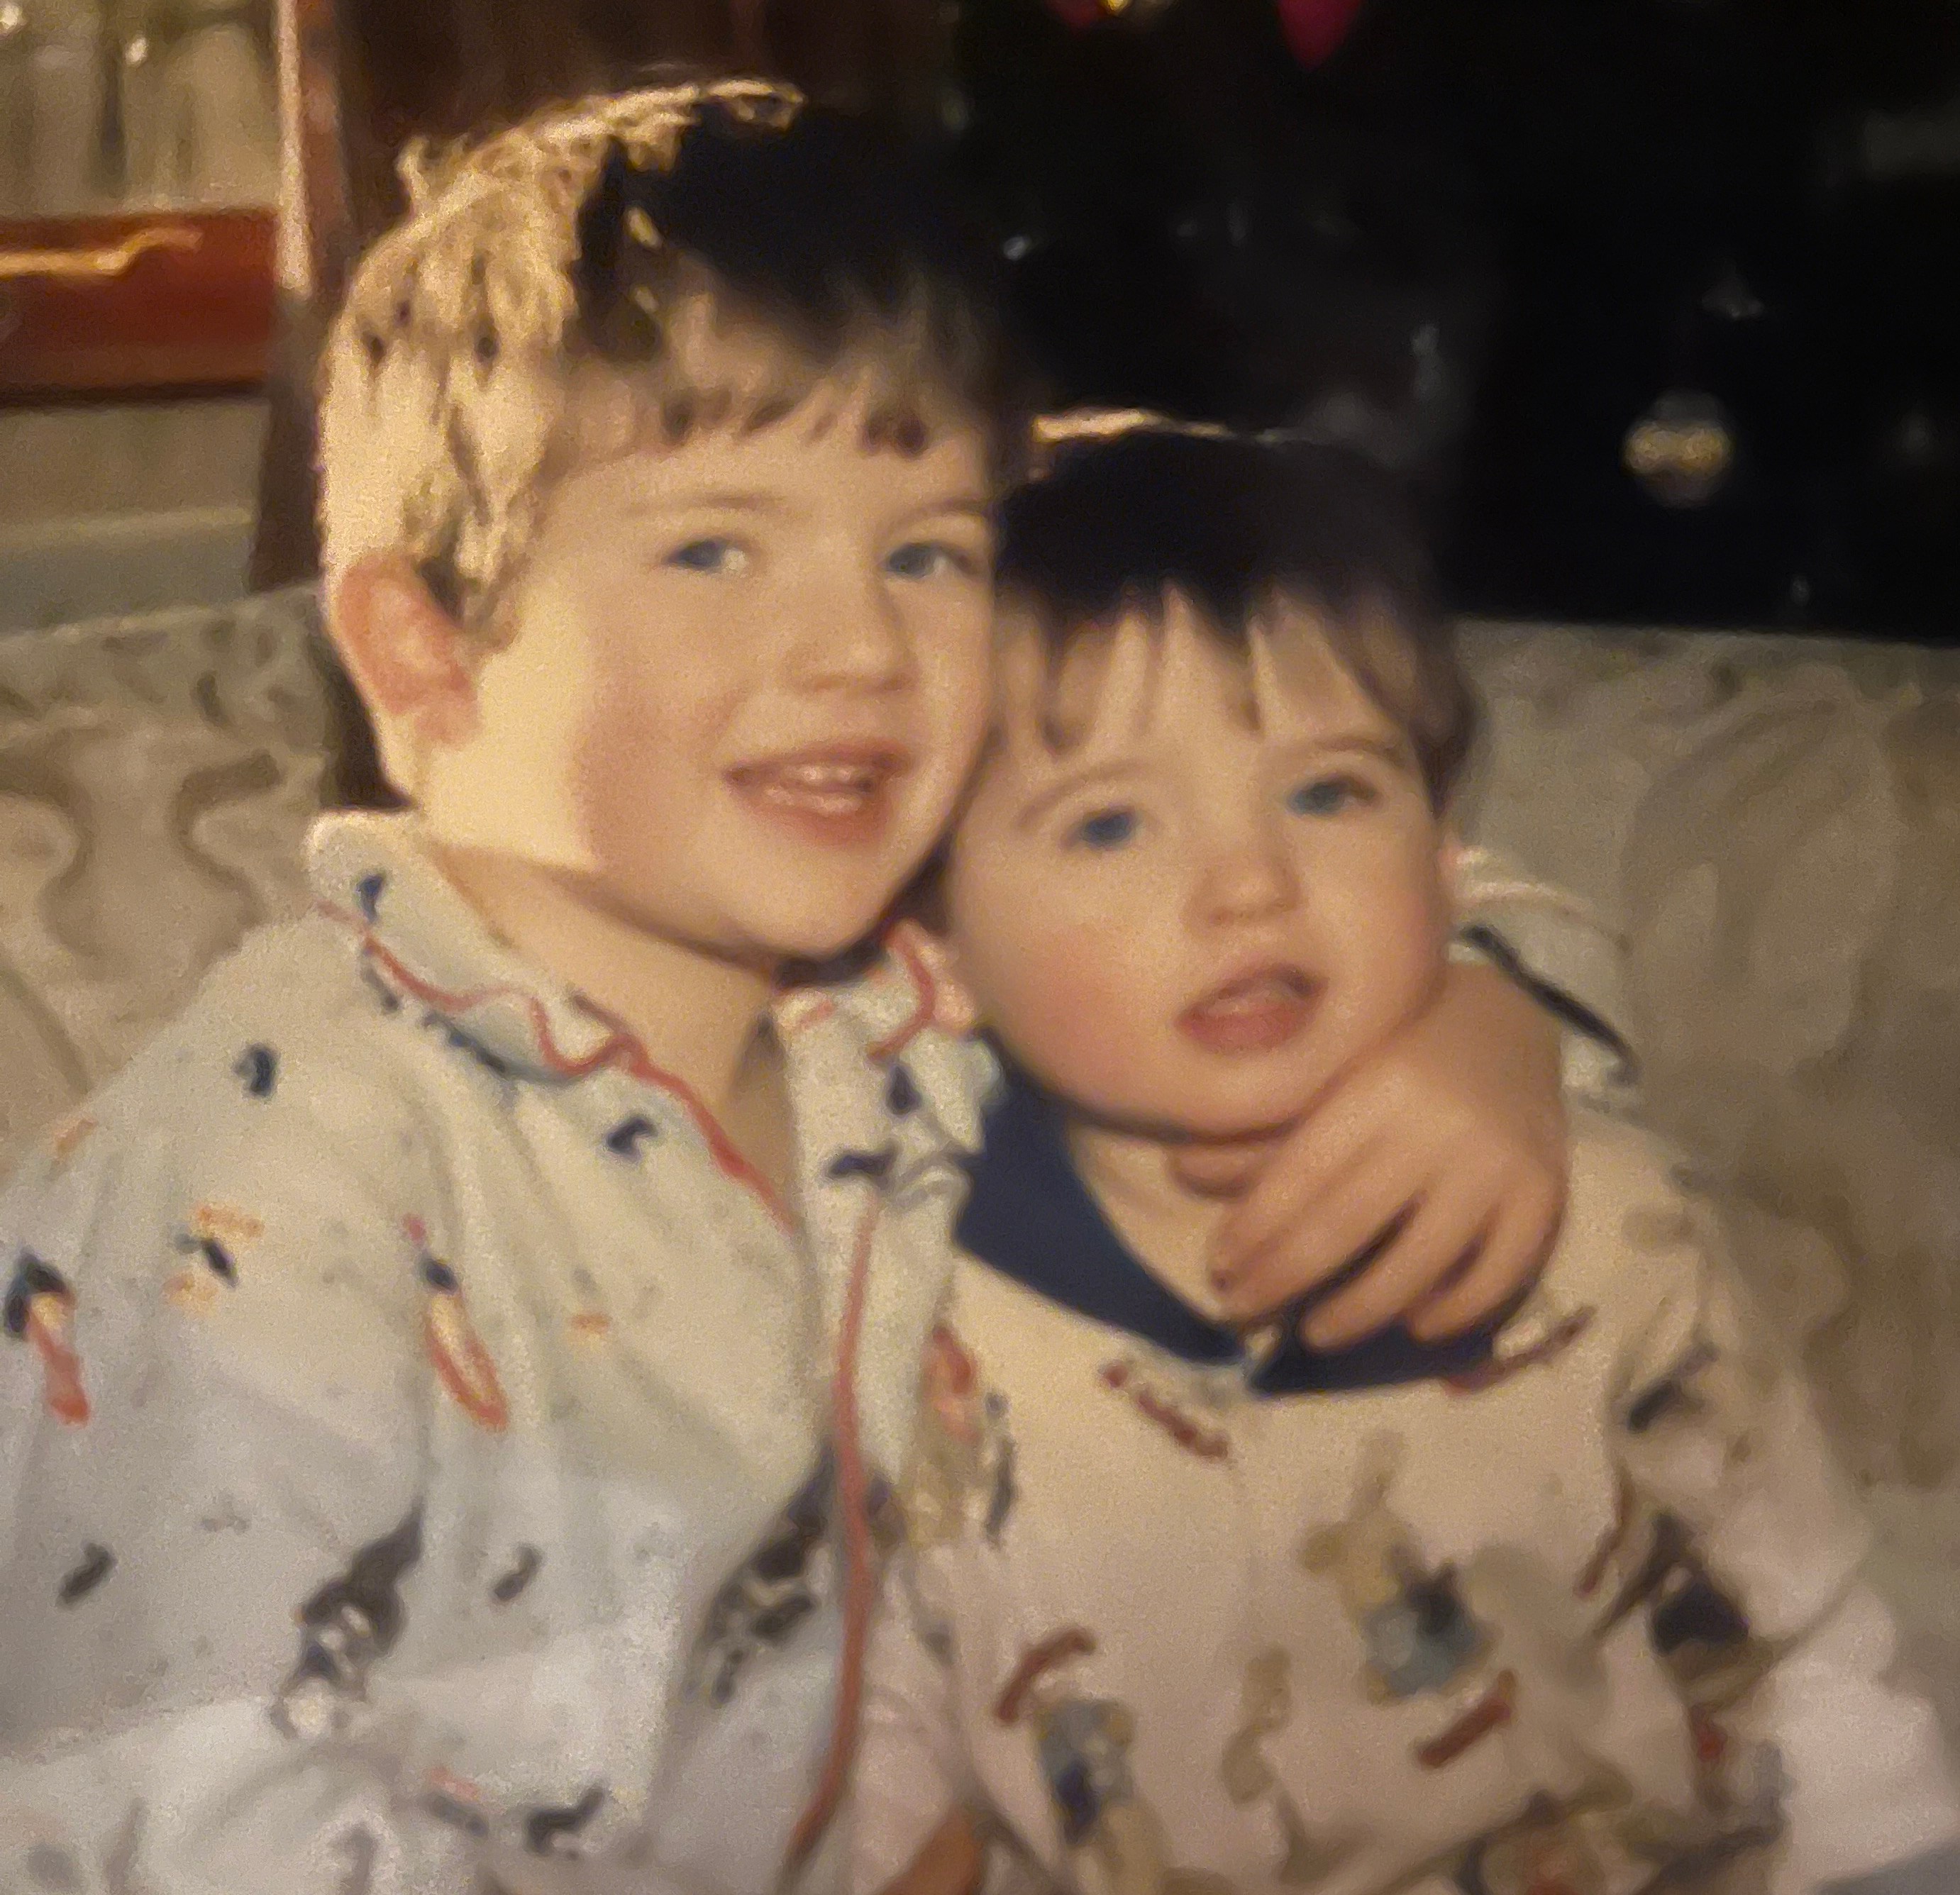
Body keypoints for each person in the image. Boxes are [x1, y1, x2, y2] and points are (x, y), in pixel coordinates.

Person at [0, 82, 1589, 1895]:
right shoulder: (269, 1173)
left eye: (926, 553)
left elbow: (1352, 867)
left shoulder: (926, 1002)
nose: (859, 647)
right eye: (711, 548)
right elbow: (163, 1818)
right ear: (421, 647)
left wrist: (1483, 1022)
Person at [848, 424, 1960, 1895]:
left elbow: (1809, 1650)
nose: (1248, 884)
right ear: (931, 947)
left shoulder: (1611, 1239)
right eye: (1108, 821)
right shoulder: (906, 1299)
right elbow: (864, 1744)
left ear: (1447, 863)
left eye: (1327, 794)